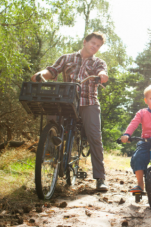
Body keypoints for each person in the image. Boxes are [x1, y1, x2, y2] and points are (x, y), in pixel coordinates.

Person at [31, 32, 109, 191]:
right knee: (52, 118)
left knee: (95, 136)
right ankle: (51, 152)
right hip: (67, 100)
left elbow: (103, 74)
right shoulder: (66, 58)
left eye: (98, 45)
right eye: (93, 43)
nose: (95, 47)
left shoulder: (98, 62)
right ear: (85, 42)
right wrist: (40, 75)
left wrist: (101, 77)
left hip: (89, 102)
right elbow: (51, 71)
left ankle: (100, 178)